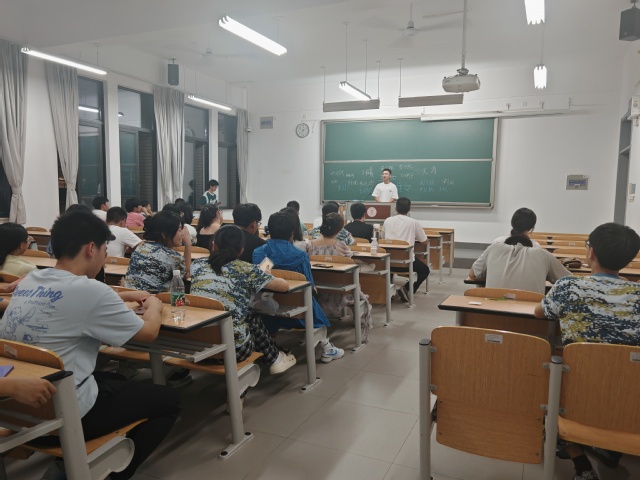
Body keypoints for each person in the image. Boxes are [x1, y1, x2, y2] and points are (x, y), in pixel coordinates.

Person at [0, 210, 180, 480]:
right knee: (169, 400)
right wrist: (154, 305)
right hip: (62, 416)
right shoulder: (92, 291)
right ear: (91, 248)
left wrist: (123, 295)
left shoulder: (32, 279)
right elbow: (148, 333)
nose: (104, 257)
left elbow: (75, 296)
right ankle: (104, 472)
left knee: (115, 379)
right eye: (105, 250)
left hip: (15, 412)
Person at [534, 222, 640, 480]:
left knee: (550, 379)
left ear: (590, 252)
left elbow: (539, 312)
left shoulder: (568, 287)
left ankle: (581, 464)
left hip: (577, 390)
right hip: (630, 394)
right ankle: (610, 449)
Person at [190, 225, 296, 374]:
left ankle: (276, 357)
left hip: (196, 346)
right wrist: (266, 274)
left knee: (240, 313)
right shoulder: (247, 270)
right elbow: (284, 286)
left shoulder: (197, 265)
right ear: (241, 250)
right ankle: (275, 358)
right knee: (248, 314)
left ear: (213, 245)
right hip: (233, 351)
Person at [253, 211, 344, 363]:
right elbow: (309, 285)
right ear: (292, 233)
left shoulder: (258, 252)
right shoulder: (300, 255)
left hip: (267, 309)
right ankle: (327, 347)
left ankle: (272, 344)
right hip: (299, 311)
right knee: (312, 301)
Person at [306, 213, 373, 341]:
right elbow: (349, 260)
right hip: (340, 292)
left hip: (317, 289)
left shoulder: (310, 245)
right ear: (338, 230)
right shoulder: (340, 245)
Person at [469, 234, 570, 294]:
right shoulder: (543, 254)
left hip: (492, 310)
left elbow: (472, 274)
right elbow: (570, 281)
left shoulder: (494, 248)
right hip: (531, 314)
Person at [124, 210, 191, 294]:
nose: (183, 234)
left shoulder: (141, 247)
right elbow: (186, 275)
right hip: (152, 299)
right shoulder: (174, 257)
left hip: (130, 296)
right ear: (164, 234)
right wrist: (188, 243)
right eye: (179, 230)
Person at [383, 197, 429, 301]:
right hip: (406, 263)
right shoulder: (414, 222)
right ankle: (407, 289)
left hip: (388, 262)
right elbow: (424, 241)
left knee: (391, 265)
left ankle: (388, 293)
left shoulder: (387, 220)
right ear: (409, 209)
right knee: (425, 270)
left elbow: (383, 238)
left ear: (395, 208)